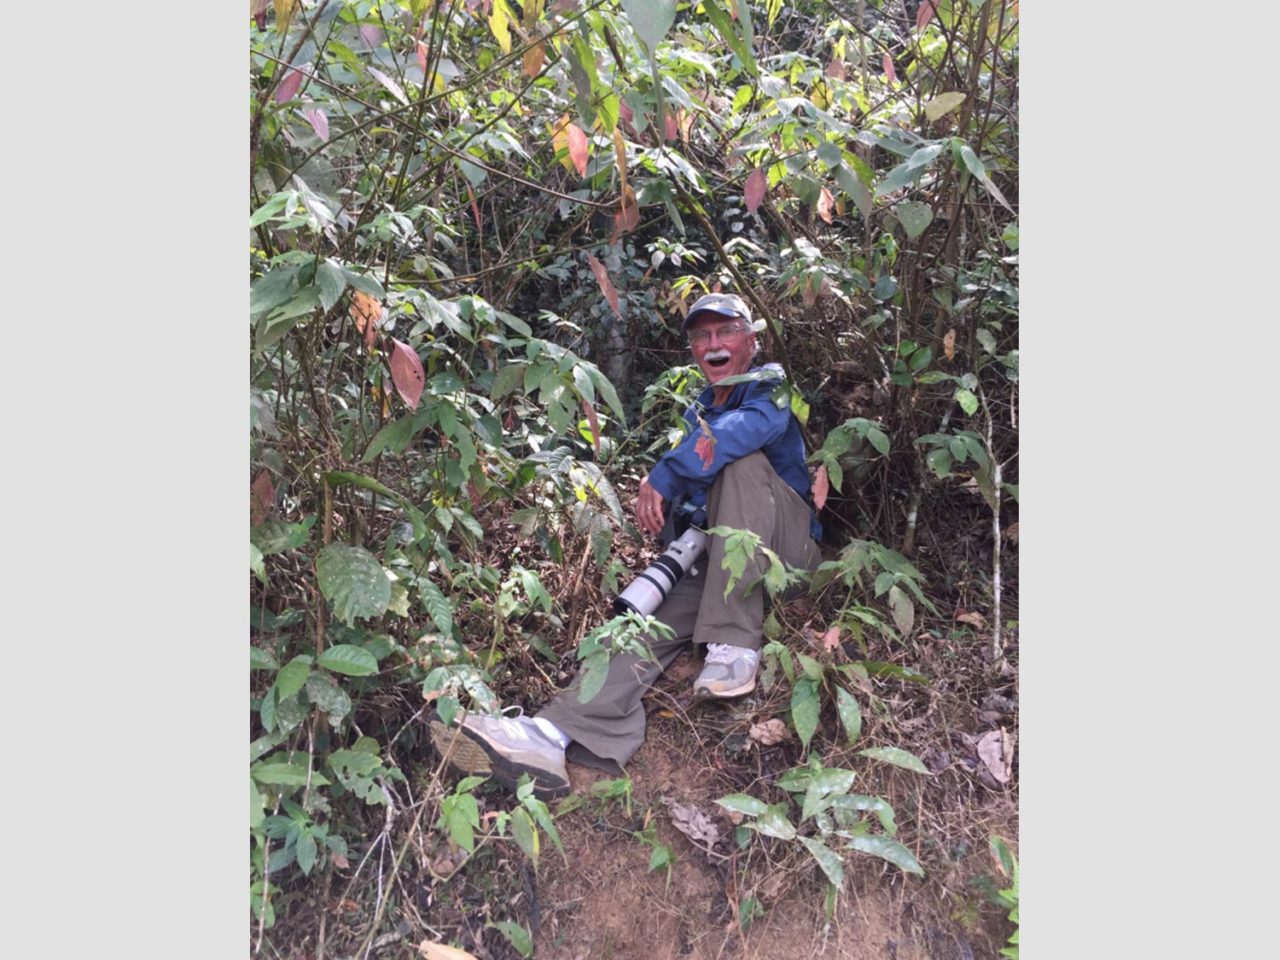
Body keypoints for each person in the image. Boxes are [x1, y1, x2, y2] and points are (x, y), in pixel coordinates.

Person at [429, 293, 821, 798]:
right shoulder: (697, 412)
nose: (713, 344)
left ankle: (736, 647)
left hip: (787, 557)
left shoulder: (770, 386)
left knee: (741, 465)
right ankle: (550, 736)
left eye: (725, 332)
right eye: (701, 336)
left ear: (750, 339)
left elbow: (743, 435)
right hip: (723, 562)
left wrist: (668, 470)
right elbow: (694, 504)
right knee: (644, 617)